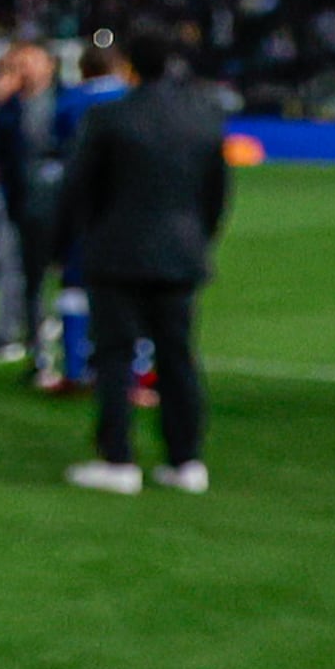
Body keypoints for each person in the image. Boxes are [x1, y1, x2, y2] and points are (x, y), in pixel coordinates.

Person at [61, 24, 229, 493]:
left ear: (128, 66)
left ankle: (118, 460)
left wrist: (78, 241)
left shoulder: (109, 117)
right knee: (177, 357)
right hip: (180, 254)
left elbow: (80, 189)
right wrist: (199, 238)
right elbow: (216, 193)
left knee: (114, 355)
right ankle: (186, 461)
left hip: (116, 253)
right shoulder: (204, 115)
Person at [0, 35, 69, 373]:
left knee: (70, 277)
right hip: (20, 203)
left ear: (49, 64)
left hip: (63, 204)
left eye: (30, 61)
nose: (24, 69)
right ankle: (37, 350)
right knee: (25, 274)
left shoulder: (65, 101)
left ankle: (76, 348)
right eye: (19, 63)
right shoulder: (8, 107)